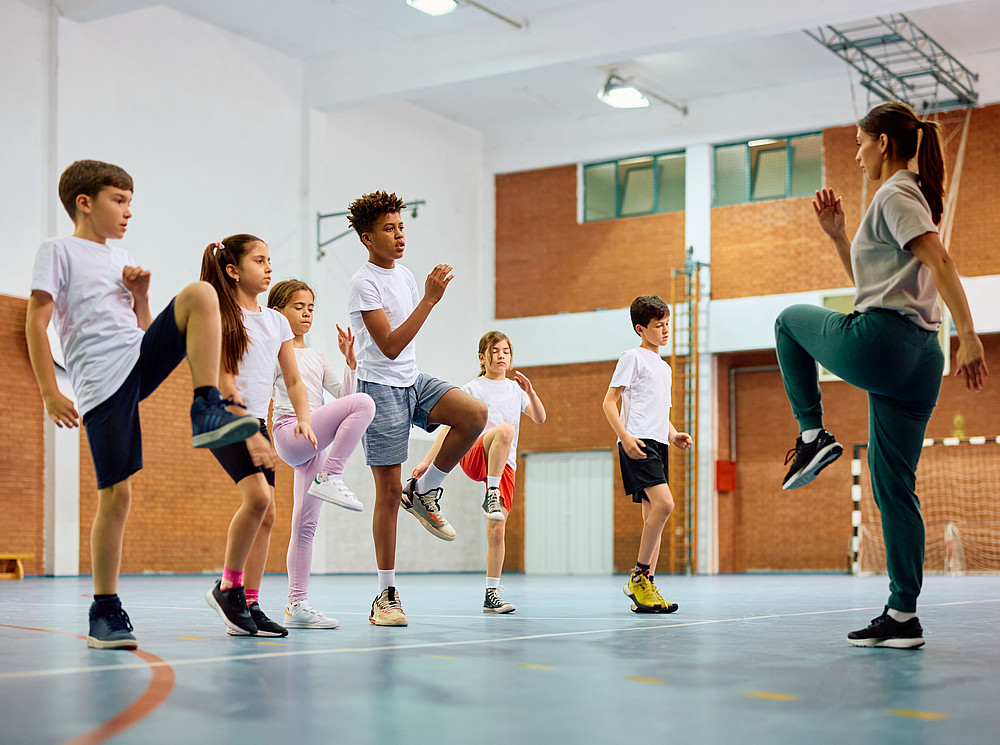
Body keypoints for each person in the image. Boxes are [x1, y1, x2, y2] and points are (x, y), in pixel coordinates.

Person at [774, 101, 989, 649]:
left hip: (886, 344)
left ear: (884, 144)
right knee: (895, 489)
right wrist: (838, 235)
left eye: (859, 142)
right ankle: (902, 615)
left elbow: (941, 260)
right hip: (920, 362)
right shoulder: (904, 198)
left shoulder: (895, 192)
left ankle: (811, 435)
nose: (857, 151)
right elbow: (873, 285)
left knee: (788, 321)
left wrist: (971, 333)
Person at [25, 160, 259, 649]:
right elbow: (36, 320)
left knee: (200, 293)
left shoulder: (121, 258)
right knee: (118, 496)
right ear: (84, 203)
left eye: (130, 201)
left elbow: (142, 329)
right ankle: (104, 610)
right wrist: (50, 389)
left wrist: (140, 298)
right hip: (100, 383)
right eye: (119, 200)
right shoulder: (59, 250)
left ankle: (206, 404)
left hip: (134, 358)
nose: (129, 211)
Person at [346, 190, 487, 627]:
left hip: (413, 381)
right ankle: (386, 596)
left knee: (474, 414)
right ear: (368, 238)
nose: (399, 235)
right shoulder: (363, 282)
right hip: (380, 388)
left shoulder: (405, 276)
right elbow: (388, 347)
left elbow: (404, 353)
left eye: (401, 227)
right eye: (389, 229)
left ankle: (423, 490)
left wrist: (423, 294)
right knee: (386, 494)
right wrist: (429, 299)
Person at [201, 235, 318, 637]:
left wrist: (303, 418)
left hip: (256, 421)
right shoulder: (220, 312)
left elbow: (293, 380)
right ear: (233, 270)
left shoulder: (277, 322)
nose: (269, 267)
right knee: (258, 497)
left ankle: (248, 602)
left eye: (270, 260)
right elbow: (221, 376)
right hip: (222, 415)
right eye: (259, 260)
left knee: (267, 515)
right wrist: (245, 427)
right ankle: (228, 588)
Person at [267, 279, 375, 629]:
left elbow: (345, 394)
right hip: (291, 431)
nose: (307, 314)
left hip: (315, 440)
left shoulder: (317, 356)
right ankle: (333, 475)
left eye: (311, 308)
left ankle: (295, 605)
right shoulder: (273, 349)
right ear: (278, 311)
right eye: (298, 307)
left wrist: (351, 362)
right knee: (364, 403)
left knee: (305, 526)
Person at [412, 331, 545, 613]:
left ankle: (491, 593)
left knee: (497, 529)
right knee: (506, 430)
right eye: (495, 351)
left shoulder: (515, 390)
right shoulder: (472, 388)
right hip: (475, 455)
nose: (501, 355)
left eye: (506, 351)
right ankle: (492, 492)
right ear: (482, 358)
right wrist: (426, 461)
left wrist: (531, 393)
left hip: (504, 463)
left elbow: (539, 417)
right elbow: (449, 428)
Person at [603, 295, 692, 614]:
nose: (666, 331)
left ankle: (646, 590)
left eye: (668, 324)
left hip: (658, 442)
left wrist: (674, 433)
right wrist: (624, 437)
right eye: (659, 326)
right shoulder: (632, 357)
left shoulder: (664, 368)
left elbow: (657, 410)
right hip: (637, 442)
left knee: (651, 516)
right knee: (666, 504)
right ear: (641, 329)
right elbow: (609, 403)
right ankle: (638, 577)